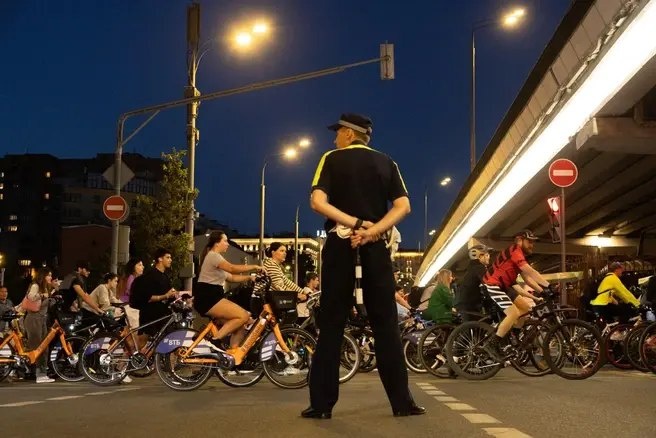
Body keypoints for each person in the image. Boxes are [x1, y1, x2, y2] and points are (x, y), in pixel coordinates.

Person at [303, 112, 423, 419]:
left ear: (348, 133)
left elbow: (317, 202)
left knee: (332, 323)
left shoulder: (331, 158)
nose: (334, 139)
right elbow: (403, 206)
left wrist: (354, 223)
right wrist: (373, 230)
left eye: (337, 133)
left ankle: (321, 405)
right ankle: (402, 402)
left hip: (340, 245)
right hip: (375, 246)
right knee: (386, 324)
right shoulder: (387, 162)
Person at [482, 230, 549, 360]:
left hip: (504, 286)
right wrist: (548, 286)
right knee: (513, 313)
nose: (532, 245)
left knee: (526, 309)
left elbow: (527, 278)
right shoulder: (514, 251)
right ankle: (491, 344)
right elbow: (530, 271)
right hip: (492, 285)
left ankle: (512, 337)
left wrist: (542, 291)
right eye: (529, 242)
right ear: (519, 240)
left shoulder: (519, 255)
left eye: (533, 242)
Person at [194, 231, 262, 354]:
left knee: (240, 325)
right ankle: (215, 340)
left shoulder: (216, 258)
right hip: (208, 297)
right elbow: (232, 268)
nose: (228, 244)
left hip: (214, 296)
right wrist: (254, 267)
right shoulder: (213, 256)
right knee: (244, 316)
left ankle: (233, 357)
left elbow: (231, 277)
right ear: (216, 243)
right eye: (225, 241)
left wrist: (250, 277)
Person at [132, 249, 177, 340]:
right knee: (143, 342)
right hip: (150, 316)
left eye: (170, 258)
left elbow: (168, 294)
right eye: (168, 257)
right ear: (160, 259)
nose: (170, 260)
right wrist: (166, 296)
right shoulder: (150, 276)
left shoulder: (165, 276)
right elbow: (147, 297)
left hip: (162, 316)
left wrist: (174, 295)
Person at [22, 268, 56, 383]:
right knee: (38, 347)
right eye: (49, 275)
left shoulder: (46, 288)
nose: (50, 277)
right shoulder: (36, 286)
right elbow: (31, 297)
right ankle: (38, 374)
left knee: (44, 347)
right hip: (33, 319)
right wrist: (42, 295)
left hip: (42, 320)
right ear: (43, 276)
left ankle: (42, 373)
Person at [455, 244, 492, 321]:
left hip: (462, 302)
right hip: (469, 303)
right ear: (480, 256)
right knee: (482, 323)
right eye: (487, 255)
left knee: (472, 326)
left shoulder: (470, 268)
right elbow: (489, 283)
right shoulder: (479, 267)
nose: (489, 257)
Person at [118, 258, 144, 329]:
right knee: (135, 329)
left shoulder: (131, 278)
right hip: (127, 306)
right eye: (140, 265)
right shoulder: (131, 278)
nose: (143, 267)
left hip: (126, 305)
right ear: (133, 267)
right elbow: (133, 293)